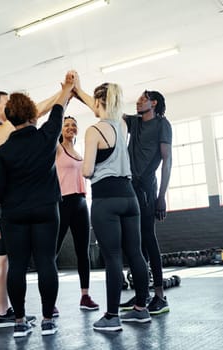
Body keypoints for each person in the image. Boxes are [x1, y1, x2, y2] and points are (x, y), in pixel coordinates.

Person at [0, 72, 74, 338]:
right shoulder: (47, 136)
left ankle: (20, 321)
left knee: (17, 266)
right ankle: (48, 320)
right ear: (33, 116)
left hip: (14, 214)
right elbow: (59, 111)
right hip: (47, 209)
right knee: (47, 262)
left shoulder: (3, 151)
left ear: (10, 119)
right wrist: (67, 89)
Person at [0, 90, 60, 328]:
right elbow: (46, 112)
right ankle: (21, 315)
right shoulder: (9, 132)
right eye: (6, 103)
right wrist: (65, 92)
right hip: (24, 208)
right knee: (23, 261)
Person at [78, 80, 151, 332]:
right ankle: (141, 309)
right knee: (136, 254)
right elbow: (107, 111)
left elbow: (87, 170)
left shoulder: (93, 131)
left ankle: (111, 316)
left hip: (105, 199)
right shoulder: (122, 125)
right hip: (130, 197)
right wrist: (78, 91)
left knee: (112, 258)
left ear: (99, 102)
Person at [119, 90, 172, 315]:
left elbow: (167, 161)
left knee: (148, 239)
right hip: (129, 187)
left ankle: (160, 296)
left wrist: (161, 196)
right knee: (134, 241)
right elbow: (109, 111)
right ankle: (142, 293)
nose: (138, 101)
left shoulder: (162, 124)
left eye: (143, 98)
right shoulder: (135, 122)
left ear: (154, 102)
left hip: (148, 189)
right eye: (139, 98)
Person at [55, 116, 99, 311]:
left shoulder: (80, 154)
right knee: (52, 252)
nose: (71, 128)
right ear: (61, 129)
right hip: (62, 203)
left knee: (83, 252)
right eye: (66, 125)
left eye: (74, 125)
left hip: (81, 203)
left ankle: (85, 295)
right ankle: (50, 301)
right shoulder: (57, 149)